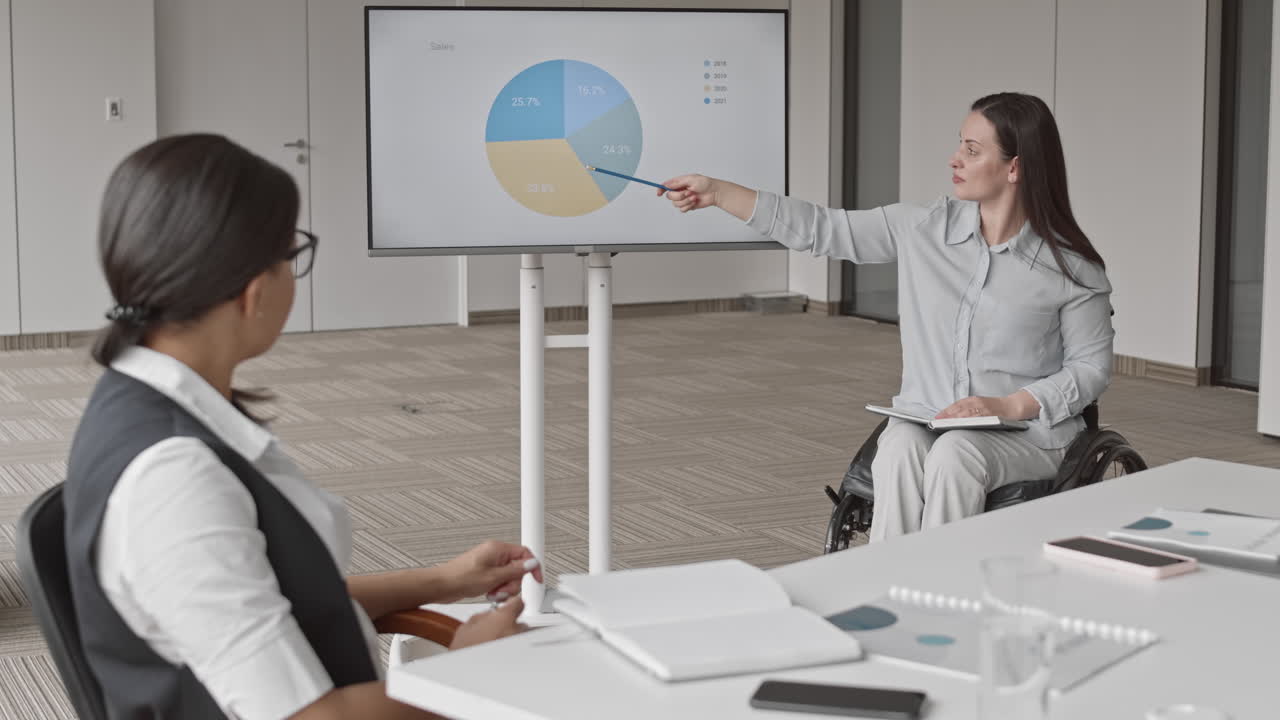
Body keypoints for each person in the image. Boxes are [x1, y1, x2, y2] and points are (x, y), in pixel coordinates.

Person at [64, 133, 541, 719]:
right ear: (253, 292)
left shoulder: (135, 397)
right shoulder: (176, 478)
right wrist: (472, 674)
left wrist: (444, 581)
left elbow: (262, 602)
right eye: (291, 254)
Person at [659, 92, 1113, 541]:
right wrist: (718, 193)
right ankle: (887, 577)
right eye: (959, 143)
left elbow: (1090, 368)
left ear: (1015, 167)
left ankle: (942, 581)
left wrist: (1008, 405)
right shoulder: (923, 227)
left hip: (1028, 434)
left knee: (957, 453)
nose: (955, 158)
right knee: (897, 447)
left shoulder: (1070, 267)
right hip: (928, 418)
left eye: (972, 150)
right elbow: (822, 228)